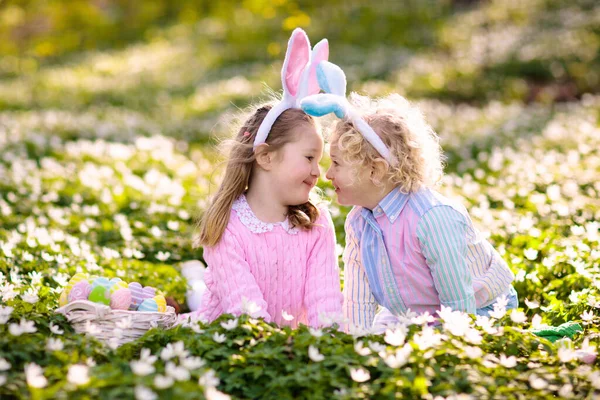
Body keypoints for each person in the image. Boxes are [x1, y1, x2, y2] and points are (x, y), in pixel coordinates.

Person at [301, 61, 516, 331]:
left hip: (480, 308)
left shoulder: (432, 218)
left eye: (337, 164)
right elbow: (359, 299)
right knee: (379, 335)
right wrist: (355, 348)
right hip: (414, 314)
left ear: (375, 170)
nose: (327, 174)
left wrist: (456, 345)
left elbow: (458, 302)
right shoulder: (357, 222)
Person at [180, 29, 342, 328]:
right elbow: (246, 314)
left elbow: (326, 301)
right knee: (200, 298)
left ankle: (194, 279)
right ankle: (193, 279)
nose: (317, 171)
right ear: (266, 156)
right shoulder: (228, 224)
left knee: (200, 290)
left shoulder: (316, 222)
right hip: (233, 341)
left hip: (288, 348)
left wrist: (331, 351)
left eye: (319, 161)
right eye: (309, 158)